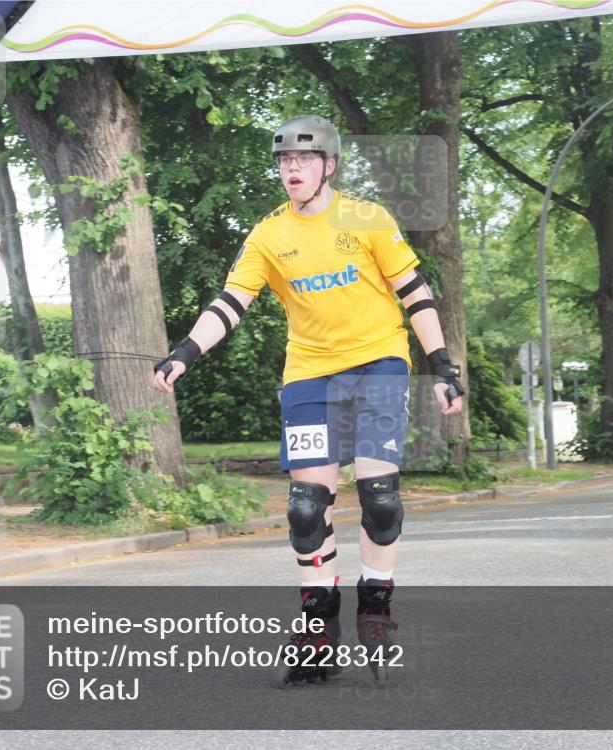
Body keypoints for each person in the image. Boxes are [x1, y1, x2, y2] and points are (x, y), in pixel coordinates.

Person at [153, 115, 463, 685]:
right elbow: (231, 302)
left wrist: (441, 365)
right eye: (284, 161)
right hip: (309, 374)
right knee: (304, 507)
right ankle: (319, 626)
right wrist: (184, 353)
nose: (291, 169)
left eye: (303, 159)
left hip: (378, 362)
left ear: (330, 165)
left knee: (380, 496)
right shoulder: (268, 235)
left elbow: (416, 294)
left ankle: (375, 609)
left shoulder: (369, 219)